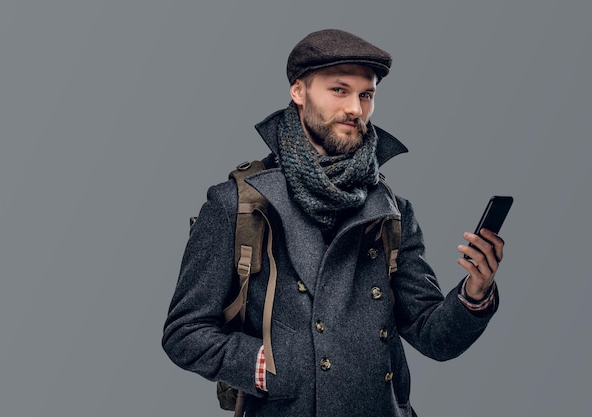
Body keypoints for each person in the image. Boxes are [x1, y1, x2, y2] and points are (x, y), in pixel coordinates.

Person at [162, 29, 504, 417]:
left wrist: (474, 294)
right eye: (339, 90)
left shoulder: (391, 210)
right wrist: (268, 366)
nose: (356, 109)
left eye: (366, 94)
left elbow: (432, 336)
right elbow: (184, 333)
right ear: (299, 92)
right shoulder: (237, 204)